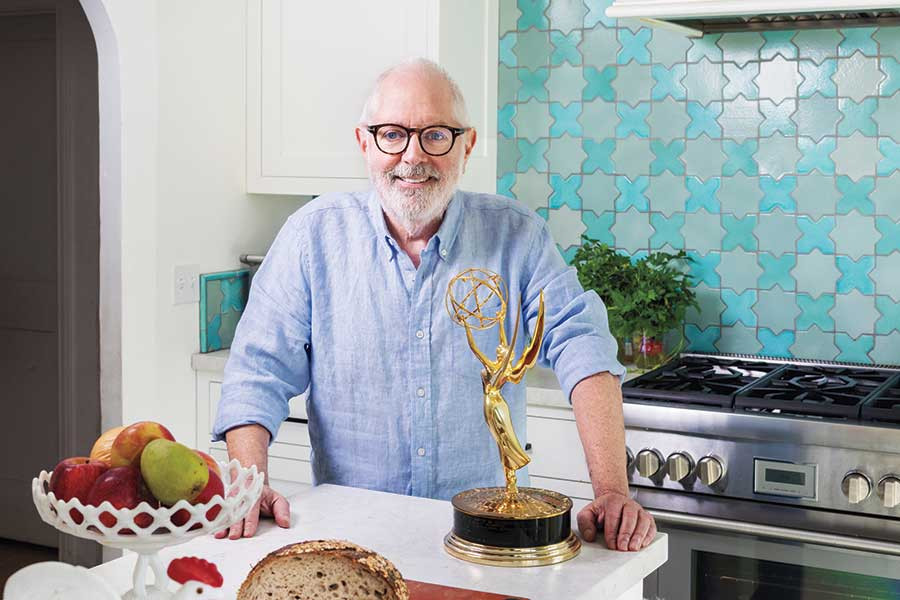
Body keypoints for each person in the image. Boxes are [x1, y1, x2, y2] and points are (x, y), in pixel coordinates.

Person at [213, 58, 657, 552]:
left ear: (467, 145)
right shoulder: (310, 236)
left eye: (435, 136)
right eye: (392, 135)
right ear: (364, 143)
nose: (412, 156)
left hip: (488, 541)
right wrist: (248, 484)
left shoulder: (518, 236)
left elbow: (582, 347)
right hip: (351, 538)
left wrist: (612, 491)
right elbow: (258, 372)